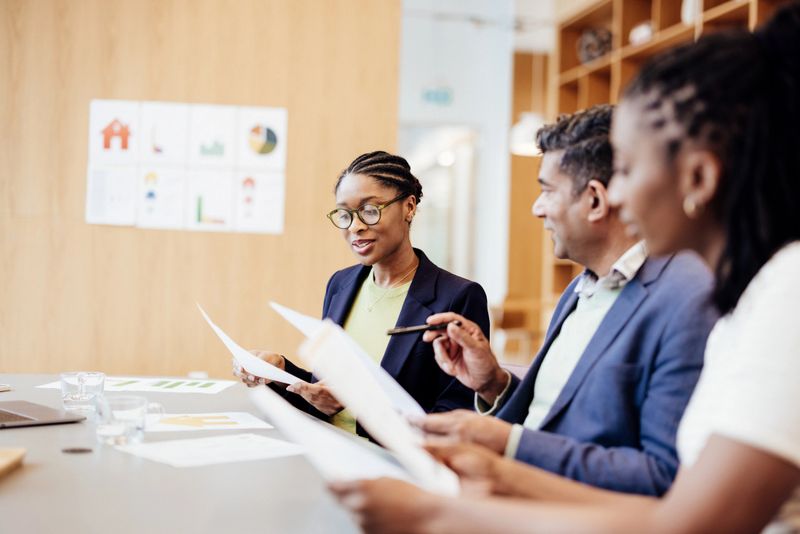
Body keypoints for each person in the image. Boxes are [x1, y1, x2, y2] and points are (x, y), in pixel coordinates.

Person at [330, 2, 800, 532]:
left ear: (699, 178)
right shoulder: (743, 293)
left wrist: (448, 512)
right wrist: (492, 457)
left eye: (628, 169)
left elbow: (688, 520)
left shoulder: (778, 295)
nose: (617, 194)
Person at [408, 105, 717, 495]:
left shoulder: (686, 298)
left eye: (546, 191)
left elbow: (660, 477)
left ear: (594, 201)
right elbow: (554, 415)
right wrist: (493, 384)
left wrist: (507, 443)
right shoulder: (579, 290)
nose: (537, 209)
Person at [235, 151, 490, 437]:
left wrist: (359, 403)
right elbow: (328, 397)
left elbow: (457, 414)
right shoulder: (340, 285)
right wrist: (280, 373)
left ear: (409, 207)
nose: (355, 226)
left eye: (370, 210)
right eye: (345, 214)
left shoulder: (458, 296)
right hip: (332, 452)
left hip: (400, 467)